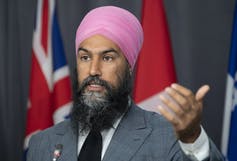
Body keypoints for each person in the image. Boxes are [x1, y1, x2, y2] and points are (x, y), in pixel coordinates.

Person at [27, 6, 224, 161]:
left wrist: (192, 139)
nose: (93, 69)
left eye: (107, 58)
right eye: (85, 57)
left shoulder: (168, 136)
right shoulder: (42, 143)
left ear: (129, 66)